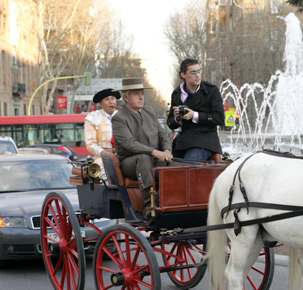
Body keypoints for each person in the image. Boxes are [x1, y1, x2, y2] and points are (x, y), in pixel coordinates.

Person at [112, 78, 173, 214]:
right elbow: (129, 144)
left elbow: (162, 135)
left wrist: (167, 150)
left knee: (176, 166)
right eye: (136, 94)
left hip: (155, 159)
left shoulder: (150, 111)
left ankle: (174, 202)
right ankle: (149, 205)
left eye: (142, 94)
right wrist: (154, 152)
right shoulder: (119, 118)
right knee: (143, 159)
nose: (141, 97)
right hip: (130, 162)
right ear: (126, 98)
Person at [167, 58, 225, 161]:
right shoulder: (177, 93)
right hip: (183, 142)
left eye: (199, 71)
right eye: (193, 72)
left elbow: (219, 118)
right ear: (183, 75)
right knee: (166, 164)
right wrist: (177, 118)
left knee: (188, 167)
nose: (197, 75)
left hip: (205, 141)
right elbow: (171, 124)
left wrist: (194, 115)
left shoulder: (211, 90)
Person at [84, 88, 121, 170]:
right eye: (107, 99)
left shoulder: (124, 116)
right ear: (101, 103)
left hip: (124, 157)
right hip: (103, 159)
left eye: (113, 98)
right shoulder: (92, 118)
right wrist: (106, 153)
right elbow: (90, 144)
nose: (111, 102)